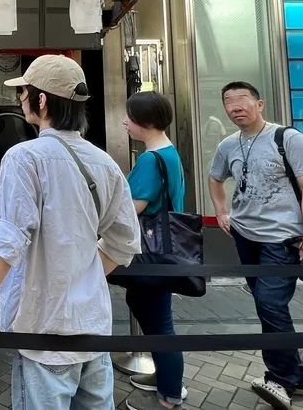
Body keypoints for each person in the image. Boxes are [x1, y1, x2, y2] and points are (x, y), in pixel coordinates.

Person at [0, 55, 142, 410]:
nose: (21, 99)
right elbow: (124, 242)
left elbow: (7, 243)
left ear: (43, 100)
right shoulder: (105, 162)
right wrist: (79, 274)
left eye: (25, 92)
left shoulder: (24, 158)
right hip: (94, 327)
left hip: (43, 330)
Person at [208, 81, 303, 410]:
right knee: (267, 305)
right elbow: (215, 178)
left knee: (269, 303)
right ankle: (298, 376)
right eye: (228, 102)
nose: (235, 107)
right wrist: (221, 211)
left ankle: (280, 378)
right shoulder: (228, 145)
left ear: (260, 104)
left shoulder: (288, 139)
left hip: (282, 237)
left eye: (242, 99)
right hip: (245, 236)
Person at [121, 91, 188, 410]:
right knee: (151, 312)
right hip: (163, 249)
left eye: (130, 117)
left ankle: (169, 397)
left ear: (145, 122)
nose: (125, 122)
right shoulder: (168, 152)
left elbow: (132, 208)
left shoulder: (150, 159)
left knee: (160, 323)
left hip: (150, 251)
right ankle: (166, 377)